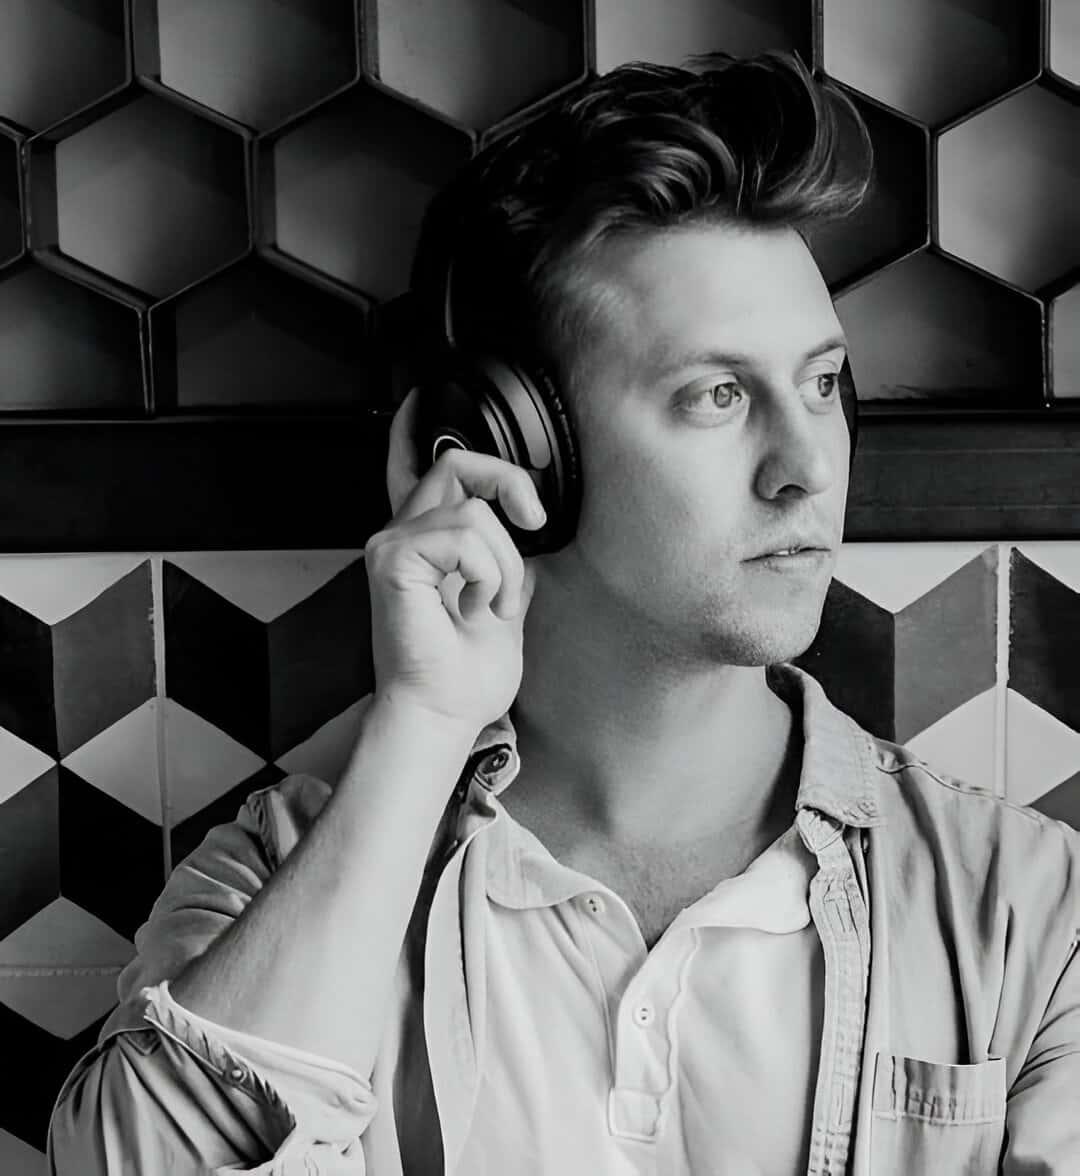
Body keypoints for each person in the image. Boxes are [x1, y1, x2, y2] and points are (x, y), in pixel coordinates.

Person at [47, 51, 1079, 1175]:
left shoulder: (1025, 907)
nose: (806, 466)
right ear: (519, 448)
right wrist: (423, 728)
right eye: (717, 396)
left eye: (824, 383)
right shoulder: (282, 872)